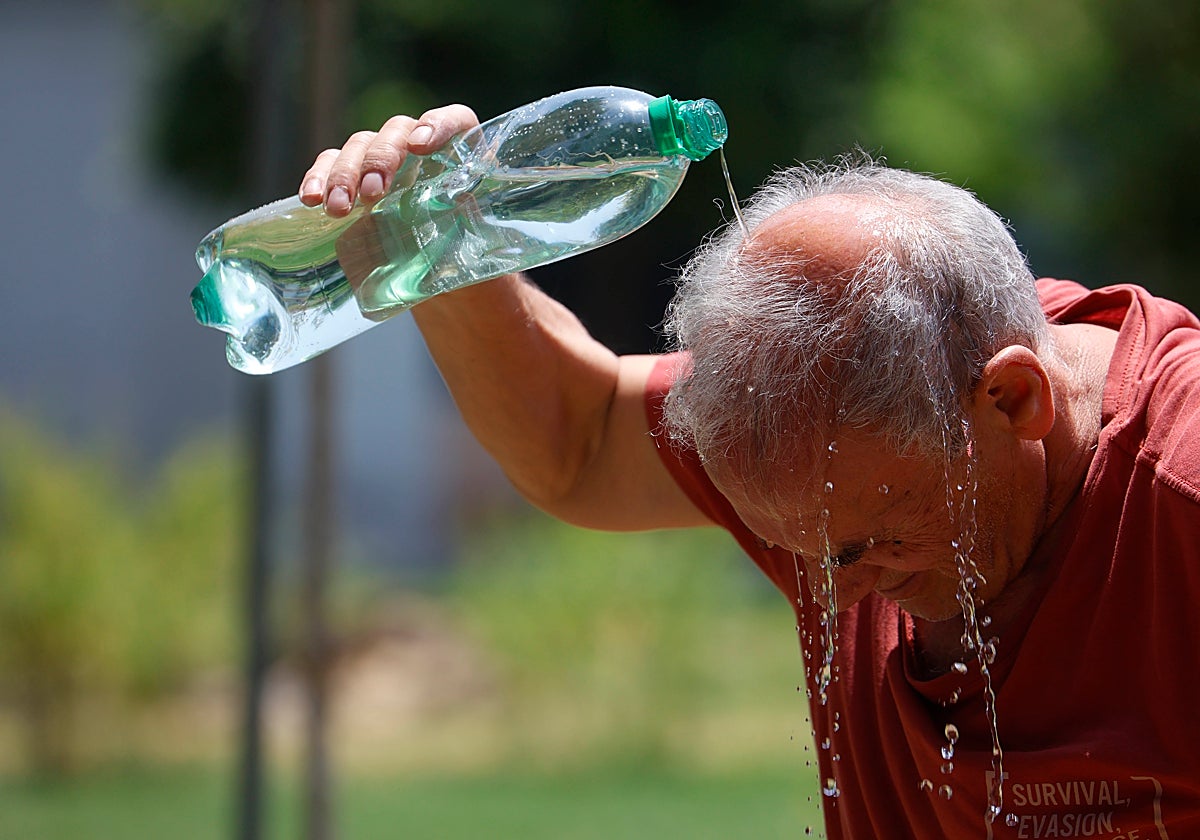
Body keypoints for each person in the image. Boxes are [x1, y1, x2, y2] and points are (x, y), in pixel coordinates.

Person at [298, 105, 1200, 838]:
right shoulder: (824, 436)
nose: (841, 601)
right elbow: (577, 445)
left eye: (868, 548)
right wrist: (441, 251)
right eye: (795, 549)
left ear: (1010, 402)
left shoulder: (1178, 495)